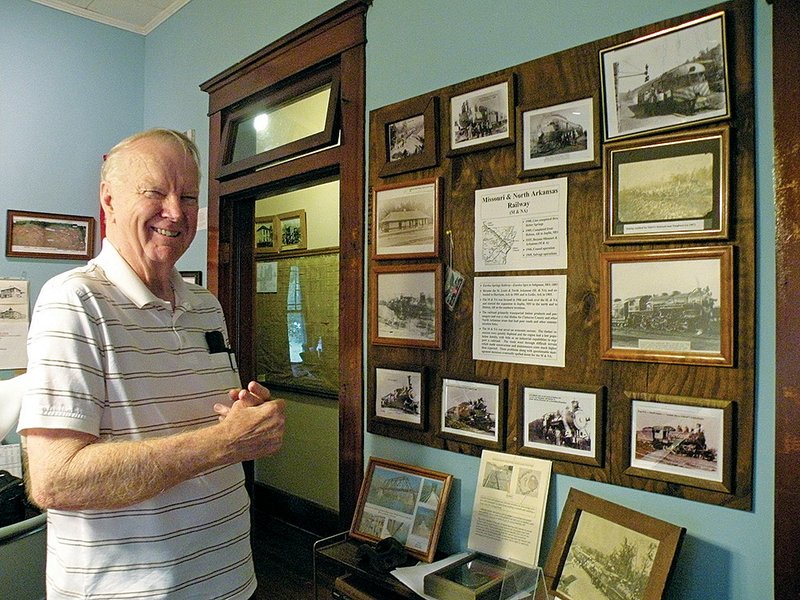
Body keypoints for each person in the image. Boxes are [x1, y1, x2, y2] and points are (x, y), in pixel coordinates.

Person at [17, 128, 286, 600]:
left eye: (187, 195)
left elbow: (203, 419)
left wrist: (246, 416)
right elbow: (55, 480)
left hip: (230, 580)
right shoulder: (74, 300)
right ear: (109, 200)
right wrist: (224, 443)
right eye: (154, 192)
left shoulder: (206, 305)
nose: (176, 212)